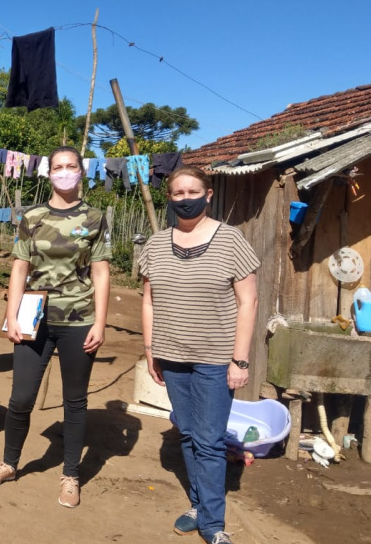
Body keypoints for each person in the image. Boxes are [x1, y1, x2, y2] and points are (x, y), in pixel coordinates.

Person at [0, 146, 112, 509]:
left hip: (79, 320)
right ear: (49, 172)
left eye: (71, 167)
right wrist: (11, 315)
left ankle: (70, 474)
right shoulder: (32, 216)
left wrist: (100, 322)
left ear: (81, 173)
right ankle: (9, 462)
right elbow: (20, 267)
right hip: (32, 317)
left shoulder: (95, 217)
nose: (65, 172)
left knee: (74, 401)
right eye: (59, 167)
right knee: (21, 397)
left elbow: (100, 271)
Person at [139, 165, 259, 544]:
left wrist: (240, 360)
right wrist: (149, 349)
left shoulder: (231, 240)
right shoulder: (156, 245)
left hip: (215, 359)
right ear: (170, 198)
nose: (186, 199)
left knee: (208, 440)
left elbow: (249, 301)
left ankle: (212, 524)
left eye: (193, 192)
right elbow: (149, 301)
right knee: (188, 433)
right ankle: (198, 503)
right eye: (178, 193)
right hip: (172, 355)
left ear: (208, 195)